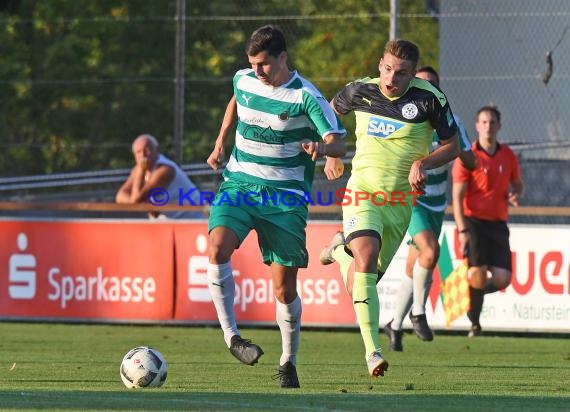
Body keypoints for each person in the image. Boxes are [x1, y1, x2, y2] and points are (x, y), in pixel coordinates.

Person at [205, 24, 346, 389]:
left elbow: (338, 142)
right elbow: (236, 98)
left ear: (283, 57)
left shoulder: (306, 97)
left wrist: (322, 149)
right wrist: (221, 141)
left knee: (284, 290)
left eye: (264, 64)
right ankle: (232, 337)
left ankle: (288, 361)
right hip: (239, 184)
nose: (257, 71)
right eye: (252, 63)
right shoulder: (244, 79)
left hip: (285, 199)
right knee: (217, 247)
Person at [319, 40, 460, 378]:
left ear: (413, 74)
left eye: (401, 73)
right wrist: (332, 152)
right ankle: (372, 352)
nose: (391, 78)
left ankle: (339, 252)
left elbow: (453, 145)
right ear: (380, 62)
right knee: (366, 258)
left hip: (399, 204)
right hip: (362, 192)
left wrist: (422, 162)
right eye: (387, 68)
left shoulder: (430, 99)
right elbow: (326, 114)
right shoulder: (359, 90)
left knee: (359, 282)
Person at [383, 66, 476, 352]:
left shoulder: (451, 121)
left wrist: (455, 146)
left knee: (415, 265)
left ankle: (394, 324)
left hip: (437, 202)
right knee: (431, 250)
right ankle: (419, 312)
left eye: (432, 85)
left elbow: (472, 163)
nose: (427, 90)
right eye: (421, 84)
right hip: (411, 198)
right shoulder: (404, 117)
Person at [452, 105, 524, 337]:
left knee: (503, 279)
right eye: (483, 122)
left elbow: (518, 185)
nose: (488, 126)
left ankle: (474, 293)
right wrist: (463, 229)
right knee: (478, 275)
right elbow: (457, 196)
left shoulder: (508, 155)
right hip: (473, 223)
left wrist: (516, 193)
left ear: (499, 126)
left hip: (498, 223)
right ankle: (475, 325)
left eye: (492, 122)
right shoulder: (468, 156)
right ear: (476, 126)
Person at [115, 134, 203, 219]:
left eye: (147, 149)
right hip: (171, 222)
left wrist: (141, 170)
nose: (143, 155)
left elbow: (136, 199)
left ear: (157, 149)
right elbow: (120, 196)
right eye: (138, 152)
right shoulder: (138, 170)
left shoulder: (165, 169)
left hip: (195, 219)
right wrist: (145, 205)